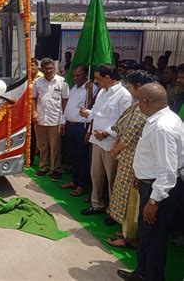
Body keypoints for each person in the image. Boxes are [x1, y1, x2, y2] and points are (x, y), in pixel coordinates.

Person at [117, 83, 184, 281]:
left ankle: (151, 276)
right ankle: (142, 272)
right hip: (151, 183)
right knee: (147, 235)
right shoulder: (163, 118)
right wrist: (141, 176)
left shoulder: (162, 127)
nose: (137, 104)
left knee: (154, 237)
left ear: (145, 102)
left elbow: (167, 170)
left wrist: (154, 201)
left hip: (160, 190)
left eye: (138, 100)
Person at [106, 71, 154, 249]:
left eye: (130, 86)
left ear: (139, 87)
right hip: (127, 157)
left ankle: (131, 237)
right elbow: (123, 126)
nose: (128, 89)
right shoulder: (139, 104)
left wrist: (117, 147)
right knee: (124, 195)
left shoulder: (145, 107)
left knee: (131, 198)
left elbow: (132, 133)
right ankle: (126, 230)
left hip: (135, 160)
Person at [79, 64, 132, 218]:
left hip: (111, 143)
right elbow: (96, 112)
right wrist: (86, 114)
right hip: (97, 140)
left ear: (108, 78)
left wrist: (107, 133)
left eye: (98, 79)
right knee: (95, 174)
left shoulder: (124, 95)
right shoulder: (102, 91)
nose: (96, 82)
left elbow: (124, 121)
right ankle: (97, 204)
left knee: (112, 178)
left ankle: (112, 210)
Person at [60, 65, 98, 196]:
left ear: (86, 76)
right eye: (74, 75)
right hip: (71, 126)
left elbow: (91, 108)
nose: (75, 78)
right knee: (73, 156)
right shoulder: (74, 88)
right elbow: (68, 106)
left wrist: (89, 91)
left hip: (82, 127)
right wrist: (63, 121)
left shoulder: (92, 89)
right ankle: (75, 181)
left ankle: (82, 185)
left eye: (78, 75)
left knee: (82, 157)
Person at [32, 57, 69, 181]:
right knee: (42, 145)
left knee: (55, 146)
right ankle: (44, 167)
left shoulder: (62, 82)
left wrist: (64, 119)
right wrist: (34, 112)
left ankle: (56, 169)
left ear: (54, 68)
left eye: (51, 68)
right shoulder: (38, 82)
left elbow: (65, 101)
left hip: (55, 119)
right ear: (42, 69)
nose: (49, 71)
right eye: (46, 69)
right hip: (41, 118)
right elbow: (33, 98)